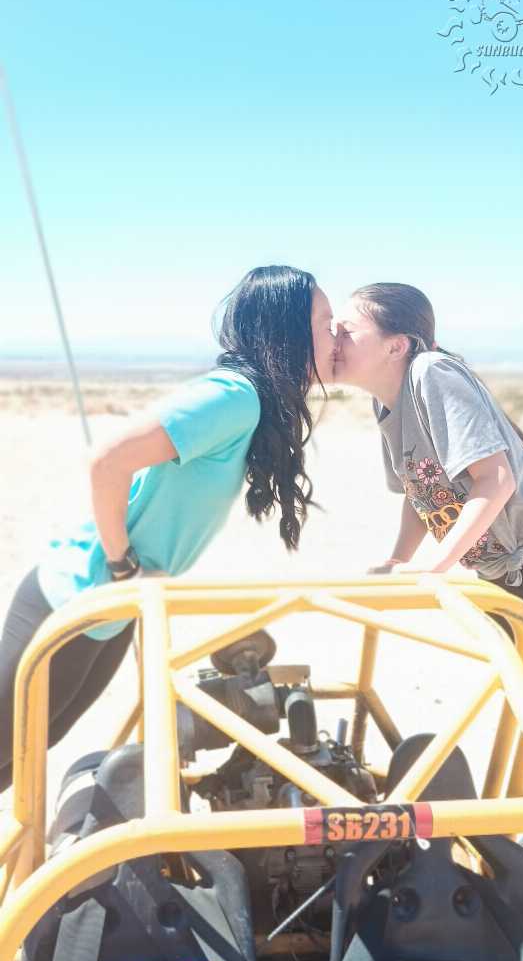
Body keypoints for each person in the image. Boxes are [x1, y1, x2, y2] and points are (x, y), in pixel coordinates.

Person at [0, 265, 337, 793]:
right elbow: (108, 459)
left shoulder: (256, 404)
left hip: (115, 609)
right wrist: (123, 567)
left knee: (25, 752)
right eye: (325, 323)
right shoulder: (234, 396)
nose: (336, 336)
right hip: (75, 594)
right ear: (289, 330)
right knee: (8, 747)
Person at [331, 281, 523, 799]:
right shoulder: (388, 403)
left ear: (396, 345)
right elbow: (420, 490)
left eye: (347, 330)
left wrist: (434, 567)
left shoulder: (431, 374)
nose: (334, 340)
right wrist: (398, 560)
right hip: (502, 574)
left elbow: (495, 480)